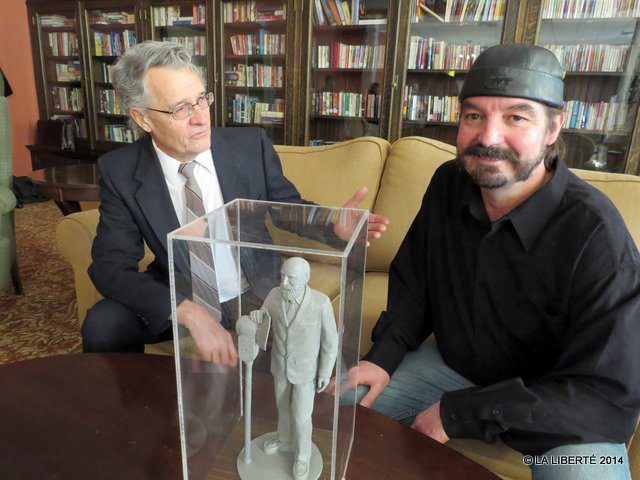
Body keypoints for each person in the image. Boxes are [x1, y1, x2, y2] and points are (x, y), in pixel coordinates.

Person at [341, 44, 640, 479]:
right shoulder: (449, 182)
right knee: (336, 409)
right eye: (474, 115)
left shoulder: (596, 234)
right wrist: (382, 357)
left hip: (559, 412)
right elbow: (414, 284)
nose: (489, 137)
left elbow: (609, 397)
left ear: (554, 127)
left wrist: (461, 413)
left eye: (516, 117)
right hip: (455, 369)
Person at [82, 41, 388, 363]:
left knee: (289, 377)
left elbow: (286, 208)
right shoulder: (120, 171)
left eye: (202, 99)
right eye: (181, 109)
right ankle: (131, 410)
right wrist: (187, 312)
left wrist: (332, 223)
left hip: (254, 290)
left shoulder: (249, 146)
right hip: (182, 291)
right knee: (104, 324)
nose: (201, 118)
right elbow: (110, 266)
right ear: (143, 119)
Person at [237, 257, 338, 480]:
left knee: (302, 416)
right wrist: (257, 315)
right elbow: (264, 318)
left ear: (306, 278)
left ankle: (302, 456)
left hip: (306, 373)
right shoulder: (274, 296)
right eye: (282, 276)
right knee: (282, 407)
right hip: (280, 366)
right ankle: (284, 439)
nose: (284, 283)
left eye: (290, 278)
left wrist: (324, 372)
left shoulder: (320, 304)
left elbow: (330, 342)